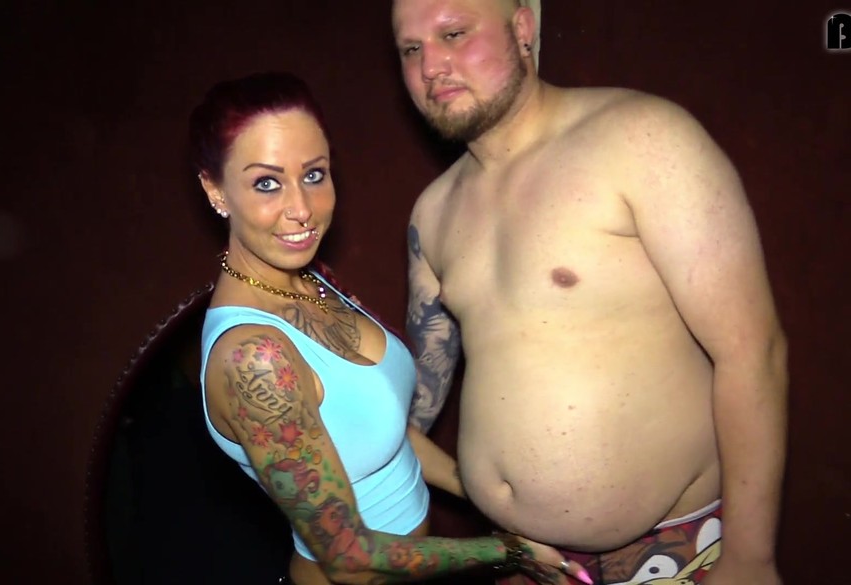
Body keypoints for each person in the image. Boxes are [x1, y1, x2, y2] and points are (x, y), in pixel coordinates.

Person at [391, 1, 788, 584]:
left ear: (522, 29)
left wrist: (751, 558)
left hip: (674, 553)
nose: (431, 66)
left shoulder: (641, 137)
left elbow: (752, 351)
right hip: (526, 560)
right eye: (411, 48)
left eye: (453, 33)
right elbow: (415, 403)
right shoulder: (433, 211)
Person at [191, 71, 590, 585]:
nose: (302, 210)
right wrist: (508, 551)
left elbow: (385, 430)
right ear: (216, 190)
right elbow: (347, 556)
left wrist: (491, 497)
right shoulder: (254, 358)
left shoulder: (311, 281)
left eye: (314, 175)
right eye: (267, 183)